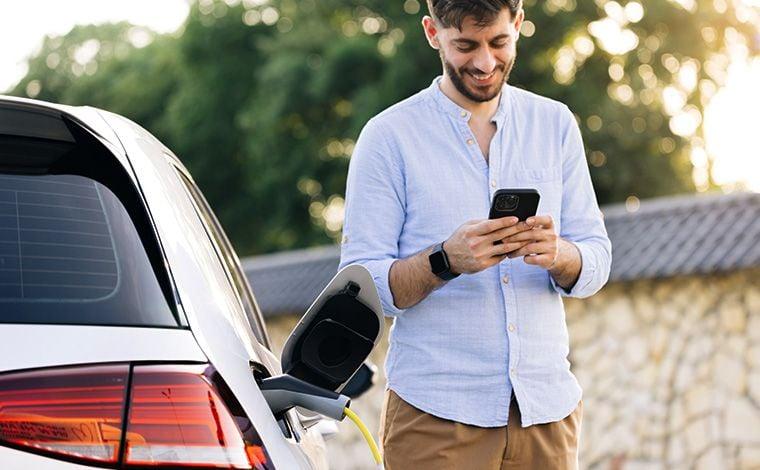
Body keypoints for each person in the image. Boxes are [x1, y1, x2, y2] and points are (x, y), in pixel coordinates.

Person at [339, 0, 612, 468]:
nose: (485, 63)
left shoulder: (556, 125)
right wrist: (445, 260)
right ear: (432, 32)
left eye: (499, 42)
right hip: (435, 416)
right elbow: (361, 286)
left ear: (519, 26)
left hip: (546, 412)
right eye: (465, 45)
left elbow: (597, 259)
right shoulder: (388, 137)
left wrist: (560, 253)